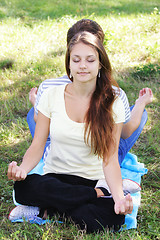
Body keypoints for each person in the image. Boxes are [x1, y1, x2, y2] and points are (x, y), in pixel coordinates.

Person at [8, 31, 133, 233]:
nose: (82, 65)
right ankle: (95, 195)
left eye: (90, 60)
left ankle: (49, 209)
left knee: (112, 219)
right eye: (76, 60)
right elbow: (38, 144)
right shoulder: (52, 95)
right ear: (69, 65)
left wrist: (119, 198)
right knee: (24, 187)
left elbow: (110, 159)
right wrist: (23, 169)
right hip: (56, 177)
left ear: (100, 64)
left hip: (92, 178)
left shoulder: (113, 102)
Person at [27, 19, 153, 165]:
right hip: (97, 162)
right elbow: (126, 132)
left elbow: (42, 124)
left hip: (60, 156)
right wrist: (140, 104)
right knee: (139, 114)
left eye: (89, 59)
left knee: (34, 114)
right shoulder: (115, 93)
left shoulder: (47, 87)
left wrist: (37, 103)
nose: (83, 65)